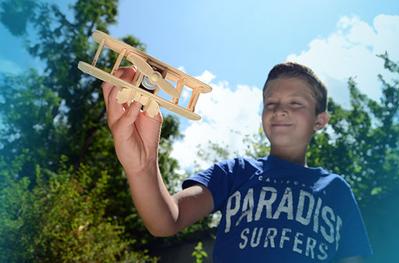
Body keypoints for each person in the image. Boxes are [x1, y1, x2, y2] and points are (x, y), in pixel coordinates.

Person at [102, 62, 372, 262]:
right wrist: (142, 165)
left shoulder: (336, 189)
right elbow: (165, 220)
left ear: (319, 120)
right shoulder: (236, 173)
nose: (280, 110)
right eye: (271, 103)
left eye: (296, 102)